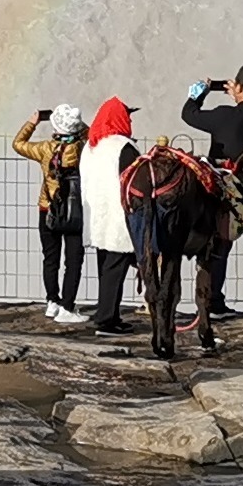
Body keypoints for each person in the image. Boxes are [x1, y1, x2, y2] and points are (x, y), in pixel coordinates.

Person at [181, 67, 243, 320]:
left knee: (219, 247)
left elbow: (189, 115)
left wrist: (199, 94)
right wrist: (240, 94)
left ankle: (214, 302)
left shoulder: (222, 116)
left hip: (227, 196)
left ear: (238, 87)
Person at [13, 105, 90, 325]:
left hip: (47, 210)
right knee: (73, 260)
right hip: (74, 212)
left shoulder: (45, 149)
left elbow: (17, 144)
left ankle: (52, 302)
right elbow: (94, 136)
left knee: (50, 258)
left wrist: (33, 122)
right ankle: (67, 306)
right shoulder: (82, 148)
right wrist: (78, 126)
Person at [81, 98, 141, 333]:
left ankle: (108, 314)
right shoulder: (123, 147)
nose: (130, 120)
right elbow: (135, 183)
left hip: (97, 217)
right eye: (127, 116)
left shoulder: (91, 146)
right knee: (115, 270)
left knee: (105, 269)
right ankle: (106, 320)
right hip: (119, 219)